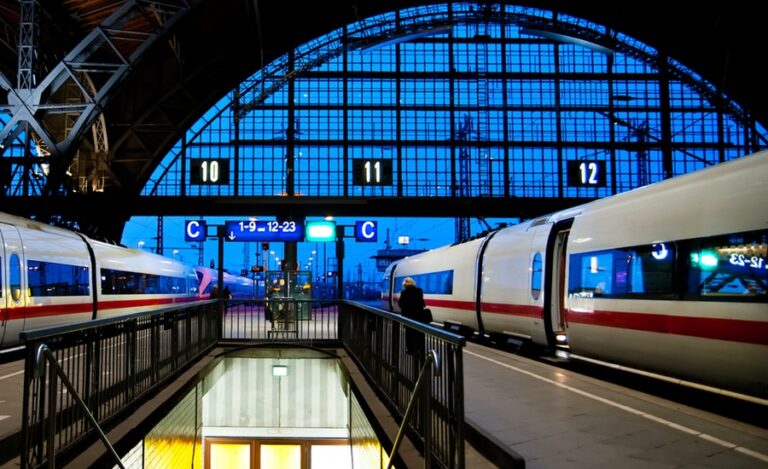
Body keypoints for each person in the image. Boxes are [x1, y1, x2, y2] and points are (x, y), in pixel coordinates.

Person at [397, 277, 427, 355]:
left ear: (405, 285)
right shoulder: (419, 291)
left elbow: (400, 304)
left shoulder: (404, 293)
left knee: (409, 333)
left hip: (408, 317)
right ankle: (420, 349)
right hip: (419, 317)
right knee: (419, 333)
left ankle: (410, 349)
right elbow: (422, 303)